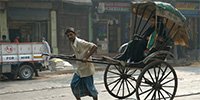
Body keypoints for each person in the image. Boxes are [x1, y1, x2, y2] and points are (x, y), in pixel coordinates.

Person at [64, 27, 98, 100]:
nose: (70, 37)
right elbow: (79, 52)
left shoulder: (80, 42)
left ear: (75, 34)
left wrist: (86, 57)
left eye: (71, 35)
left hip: (87, 69)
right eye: (68, 36)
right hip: (80, 69)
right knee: (73, 84)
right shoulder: (72, 43)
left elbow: (94, 46)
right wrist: (75, 56)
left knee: (91, 88)